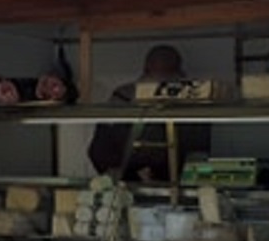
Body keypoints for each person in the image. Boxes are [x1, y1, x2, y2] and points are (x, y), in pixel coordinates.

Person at [87, 45, 210, 182]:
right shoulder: (193, 97)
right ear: (180, 71)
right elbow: (201, 150)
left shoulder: (123, 95)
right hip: (180, 182)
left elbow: (99, 152)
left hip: (129, 186)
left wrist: (126, 176)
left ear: (145, 68)